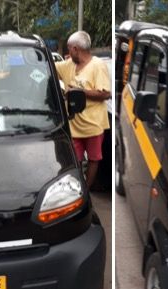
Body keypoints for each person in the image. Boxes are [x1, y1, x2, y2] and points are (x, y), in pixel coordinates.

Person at [55, 31, 111, 189]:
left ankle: (87, 188)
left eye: (69, 49)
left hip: (93, 125)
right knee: (75, 160)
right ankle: (78, 187)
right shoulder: (68, 65)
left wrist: (79, 92)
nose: (67, 52)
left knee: (93, 159)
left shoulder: (98, 66)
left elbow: (105, 93)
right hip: (74, 125)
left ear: (75, 49)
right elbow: (49, 67)